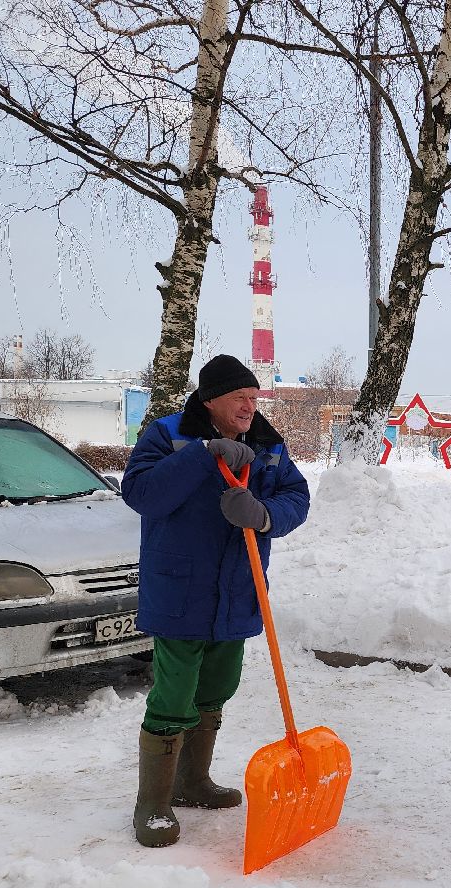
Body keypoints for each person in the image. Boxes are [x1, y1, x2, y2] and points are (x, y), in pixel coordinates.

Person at [121, 354, 310, 847]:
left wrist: (265, 515)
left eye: (254, 398)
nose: (250, 407)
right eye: (240, 398)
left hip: (238, 591)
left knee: (217, 688)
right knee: (173, 694)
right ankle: (153, 805)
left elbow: (296, 495)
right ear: (211, 401)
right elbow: (142, 493)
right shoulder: (167, 435)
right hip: (181, 590)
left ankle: (192, 781)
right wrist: (202, 453)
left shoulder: (267, 445)